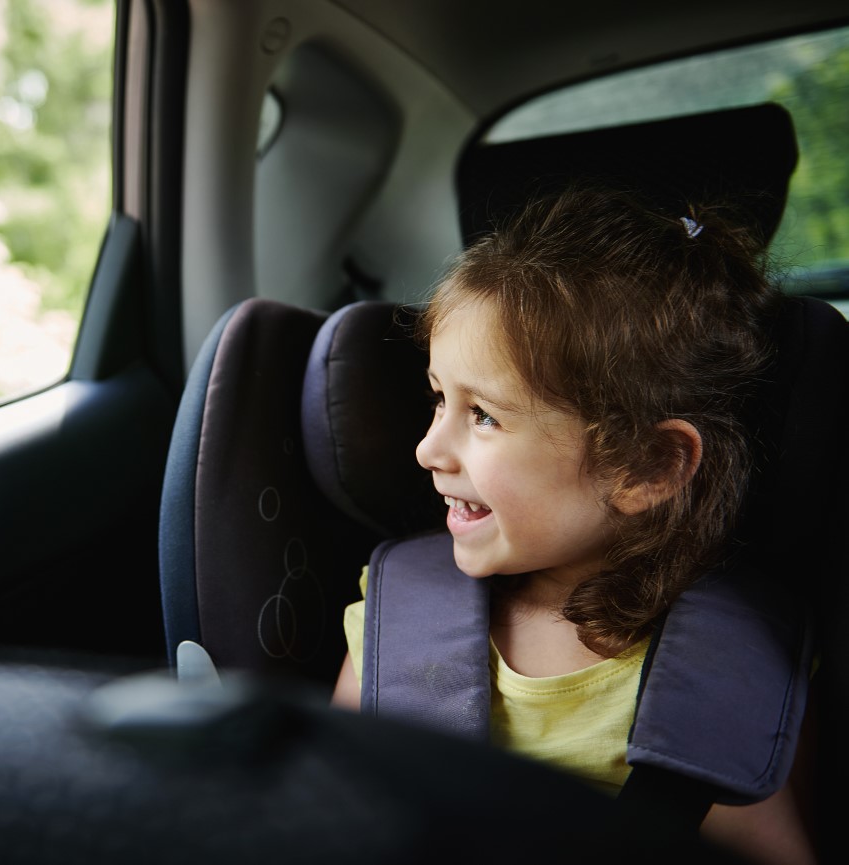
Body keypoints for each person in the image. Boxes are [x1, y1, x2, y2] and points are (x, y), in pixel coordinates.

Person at [331, 186, 814, 864]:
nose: (428, 449)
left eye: (484, 416)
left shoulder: (730, 678)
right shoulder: (395, 620)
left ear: (645, 466)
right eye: (440, 397)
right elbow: (332, 817)